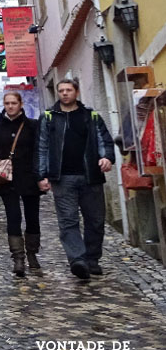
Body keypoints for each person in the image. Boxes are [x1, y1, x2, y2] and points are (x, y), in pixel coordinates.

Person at [37, 79, 115, 279]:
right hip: (62, 178)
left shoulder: (91, 116)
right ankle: (78, 260)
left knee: (95, 220)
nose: (64, 93)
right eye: (61, 90)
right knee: (68, 220)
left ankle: (92, 259)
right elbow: (42, 147)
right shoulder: (48, 117)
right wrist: (42, 174)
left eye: (68, 90)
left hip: (91, 176)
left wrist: (106, 157)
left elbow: (104, 140)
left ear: (76, 92)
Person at [0, 92, 43, 277]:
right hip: (6, 178)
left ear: (20, 104)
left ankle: (32, 253)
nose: (10, 106)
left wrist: (42, 175)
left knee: (32, 217)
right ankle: (18, 257)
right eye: (7, 103)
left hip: (29, 177)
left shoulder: (32, 125)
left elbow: (39, 150)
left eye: (13, 103)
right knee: (13, 217)